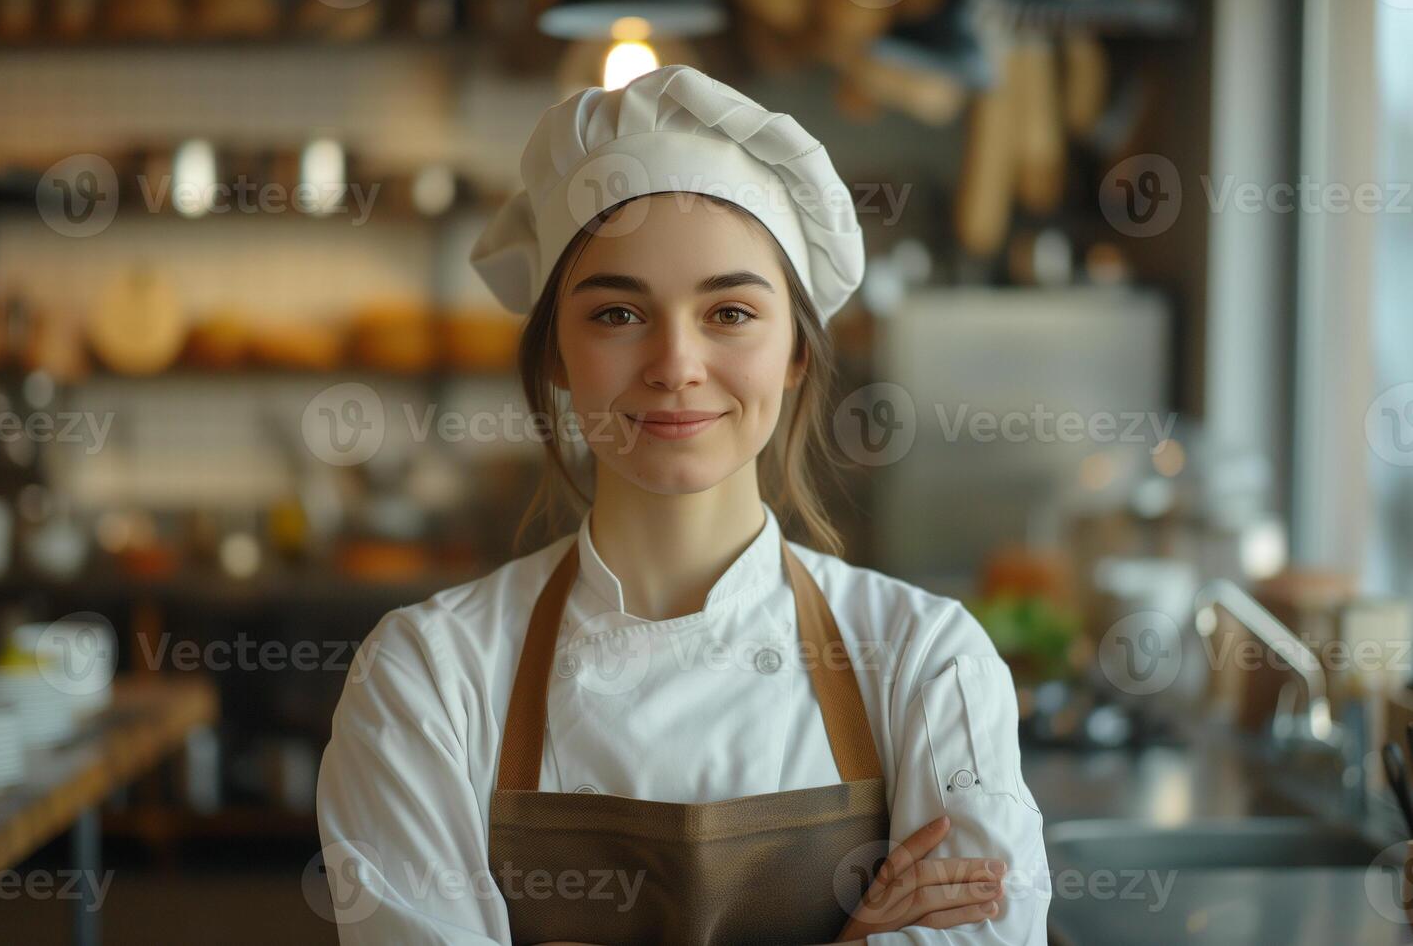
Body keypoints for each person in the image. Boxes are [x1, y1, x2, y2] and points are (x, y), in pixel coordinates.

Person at [316, 64, 1051, 945]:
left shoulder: (926, 664)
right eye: (617, 315)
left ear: (796, 355)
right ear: (556, 353)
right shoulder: (428, 677)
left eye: (730, 312)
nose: (675, 364)